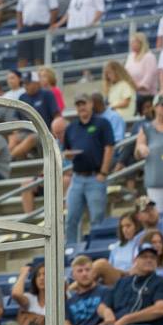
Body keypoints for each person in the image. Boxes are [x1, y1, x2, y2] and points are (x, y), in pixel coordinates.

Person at [85, 245, 163, 325]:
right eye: (144, 257)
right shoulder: (122, 282)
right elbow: (102, 306)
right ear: (135, 260)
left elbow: (161, 309)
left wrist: (127, 319)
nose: (149, 260)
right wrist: (107, 313)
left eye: (152, 257)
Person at [62, 93, 114, 245]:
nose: (81, 107)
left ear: (91, 104)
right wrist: (68, 155)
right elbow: (67, 150)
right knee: (71, 217)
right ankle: (71, 249)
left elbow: (109, 147)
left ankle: (96, 247)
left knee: (97, 217)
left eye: (84, 103)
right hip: (77, 177)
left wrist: (103, 172)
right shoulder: (71, 127)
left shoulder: (102, 123)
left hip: (95, 176)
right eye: (78, 105)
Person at [64, 256, 112, 325]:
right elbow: (65, 322)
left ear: (93, 273)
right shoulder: (70, 301)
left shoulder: (105, 292)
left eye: (87, 270)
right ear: (73, 275)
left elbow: (110, 320)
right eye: (80, 271)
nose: (84, 274)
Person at [15, 0, 58, 67]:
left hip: (41, 27)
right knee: (22, 57)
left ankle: (39, 81)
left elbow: (54, 9)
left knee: (39, 58)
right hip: (26, 28)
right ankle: (22, 80)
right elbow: (19, 11)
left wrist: (51, 25)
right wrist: (20, 27)